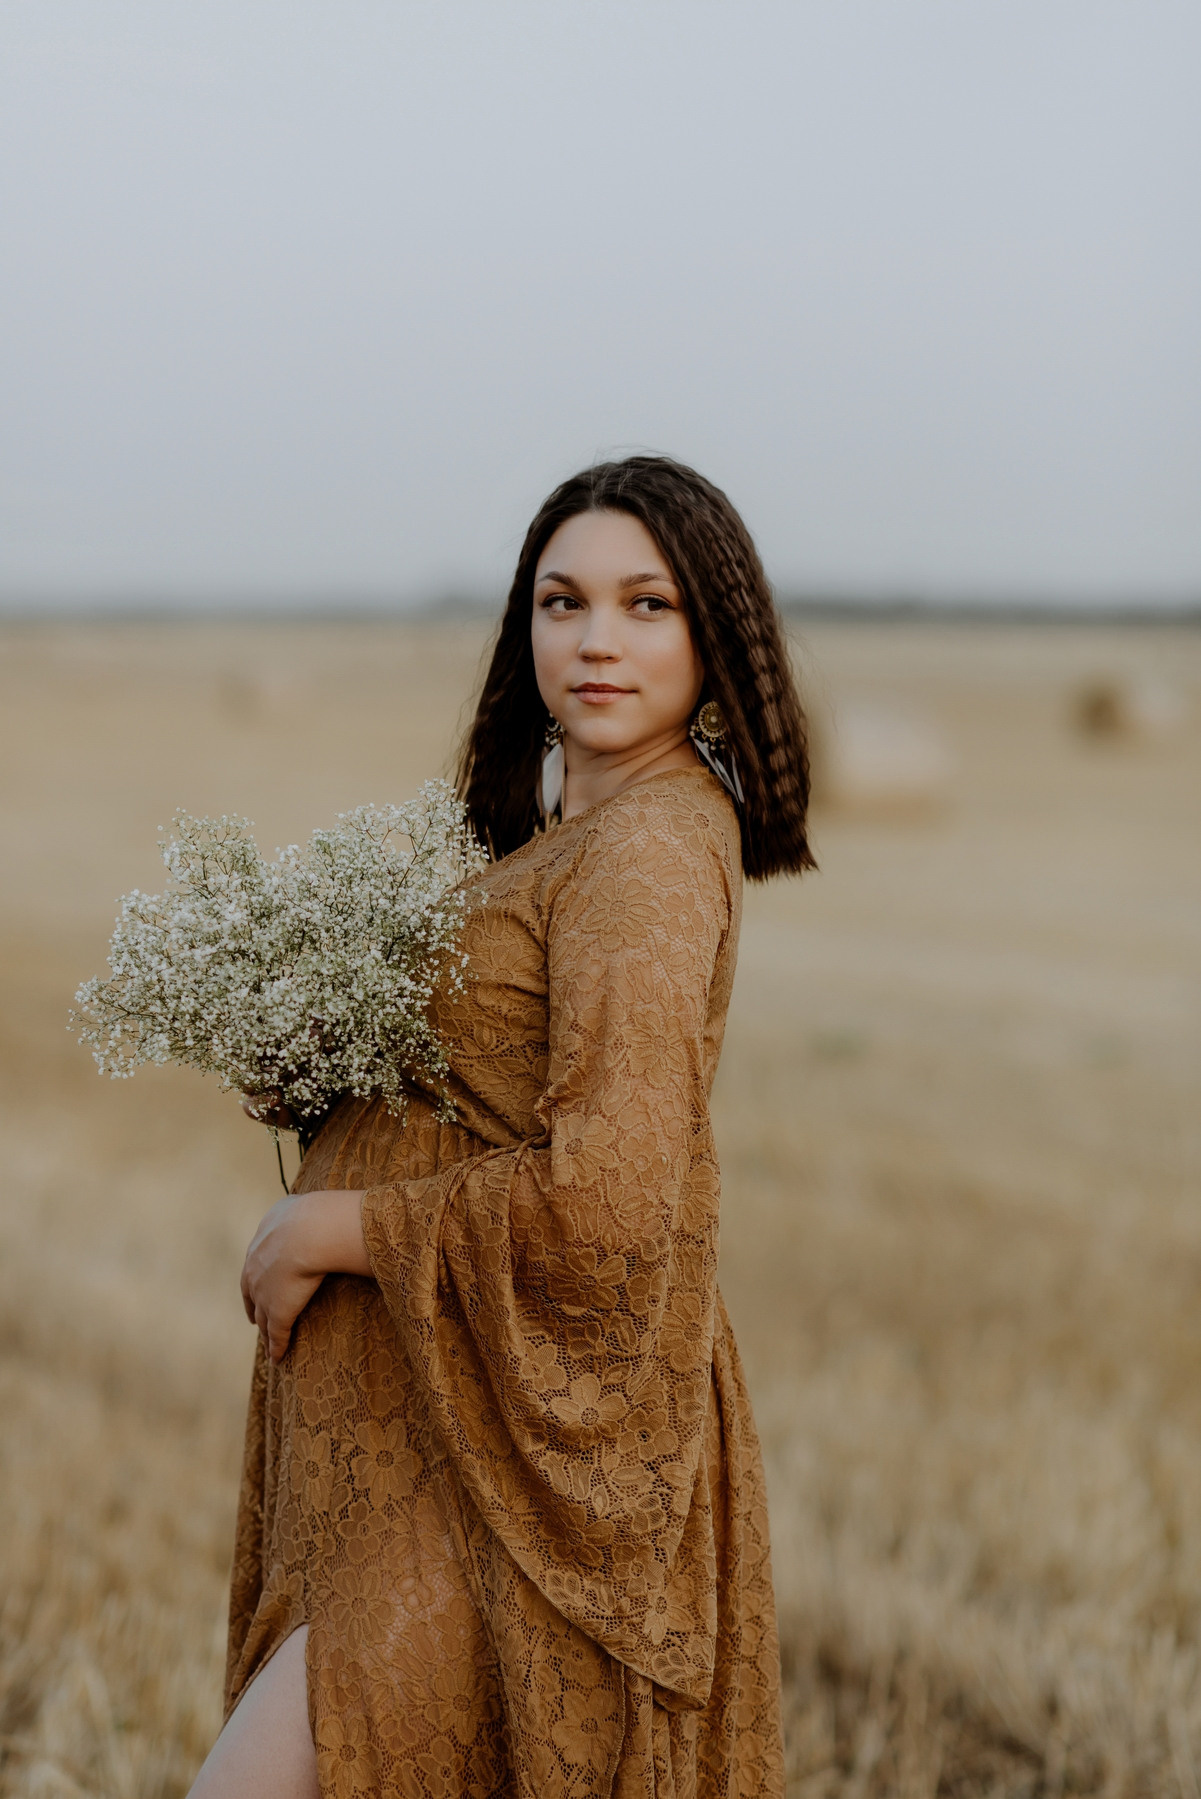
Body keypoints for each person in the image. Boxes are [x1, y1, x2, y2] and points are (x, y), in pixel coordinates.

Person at [189, 456, 813, 1798]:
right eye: (561, 599)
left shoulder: (644, 854)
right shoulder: (580, 838)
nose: (595, 640)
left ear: (715, 631)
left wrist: (334, 1223)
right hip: (437, 1425)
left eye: (647, 605)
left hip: (496, 1480)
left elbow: (614, 1197)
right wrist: (329, 1066)